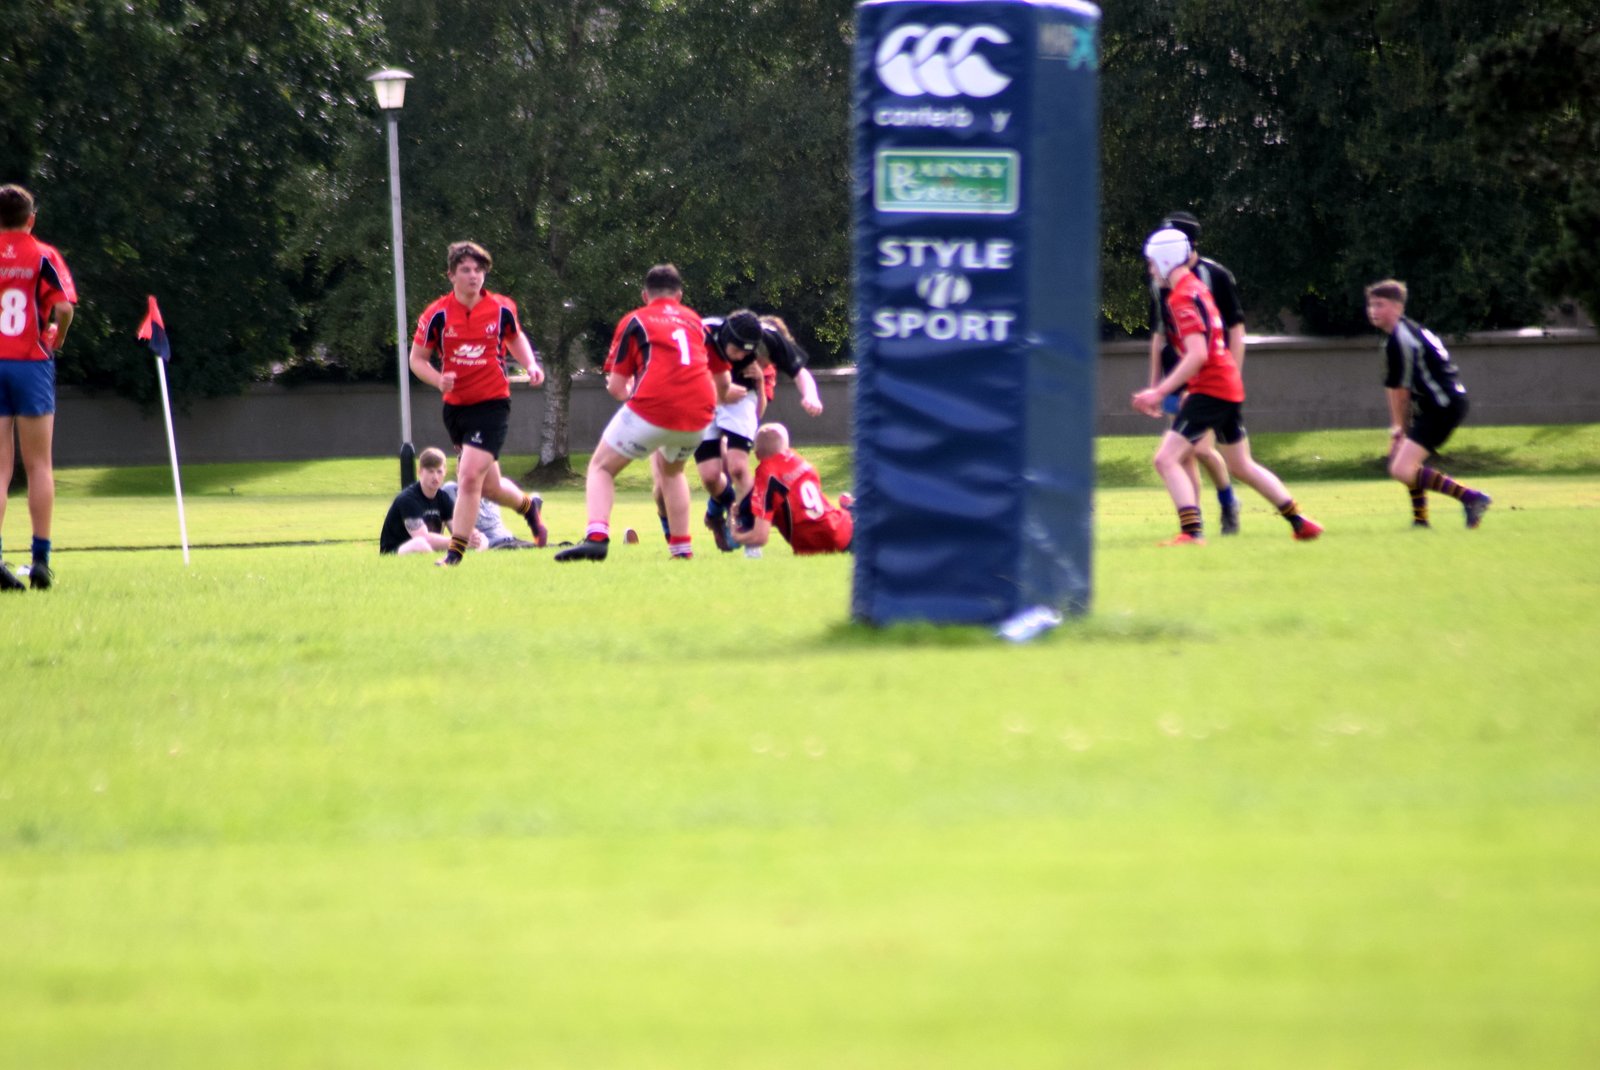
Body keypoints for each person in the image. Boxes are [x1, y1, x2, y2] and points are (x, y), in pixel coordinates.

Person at [1131, 228, 1322, 545]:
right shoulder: (1195, 287)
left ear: (1164, 260)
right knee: (1241, 465)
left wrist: (1159, 391)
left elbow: (1197, 354)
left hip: (1212, 387)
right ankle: (1300, 522)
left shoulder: (1181, 297)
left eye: (1151, 263)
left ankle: (1192, 533)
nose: (1150, 270)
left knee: (1165, 459)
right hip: (1225, 384)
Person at [555, 264, 732, 562]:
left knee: (601, 467)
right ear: (679, 295)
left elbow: (617, 387)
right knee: (673, 471)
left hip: (654, 404)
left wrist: (634, 400)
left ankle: (596, 538)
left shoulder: (636, 319)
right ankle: (682, 550)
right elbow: (723, 382)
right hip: (699, 412)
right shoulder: (695, 322)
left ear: (645, 295)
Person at [407, 241, 548, 567]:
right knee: (489, 487)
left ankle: (454, 554)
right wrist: (438, 379)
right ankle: (530, 508)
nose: (474, 276)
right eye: (466, 270)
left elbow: (514, 336)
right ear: (451, 275)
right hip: (457, 409)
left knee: (468, 477)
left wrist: (531, 364)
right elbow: (417, 360)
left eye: (479, 270)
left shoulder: (501, 308)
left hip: (492, 404)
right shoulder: (436, 314)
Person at [1364, 279, 1491, 529]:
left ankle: (1471, 497)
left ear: (1398, 307)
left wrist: (1398, 429)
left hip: (1443, 406)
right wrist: (1398, 430)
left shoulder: (1402, 338)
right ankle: (1420, 520)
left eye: (1380, 304)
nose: (1373, 310)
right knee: (1407, 463)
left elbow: (1402, 392)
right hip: (1437, 405)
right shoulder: (1398, 336)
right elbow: (1393, 386)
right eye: (1371, 305)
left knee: (1401, 468)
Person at [0, 183, 77, 592]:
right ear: (30, 219)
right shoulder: (43, 254)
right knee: (39, 466)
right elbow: (63, 307)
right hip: (30, 361)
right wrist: (56, 337)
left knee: (0, 469)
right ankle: (41, 561)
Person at [695, 310, 824, 551]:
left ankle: (751, 541)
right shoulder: (705, 332)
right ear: (726, 338)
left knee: (737, 466)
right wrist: (718, 391)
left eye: (748, 351)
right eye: (737, 350)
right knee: (710, 476)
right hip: (705, 397)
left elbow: (800, 372)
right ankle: (728, 509)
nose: (742, 356)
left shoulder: (769, 338)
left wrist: (810, 395)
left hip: (742, 398)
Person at [1148, 211, 1243, 535]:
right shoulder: (1160, 279)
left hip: (1209, 376)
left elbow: (1235, 329)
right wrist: (1155, 384)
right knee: (1182, 455)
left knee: (1199, 449)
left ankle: (1227, 500)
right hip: (1176, 376)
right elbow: (1160, 334)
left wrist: (1231, 374)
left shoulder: (1214, 275)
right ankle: (1193, 523)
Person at [729, 423, 853, 555]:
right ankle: (849, 506)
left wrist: (736, 535)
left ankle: (850, 507)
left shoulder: (766, 473)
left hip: (817, 545)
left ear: (757, 453)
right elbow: (794, 507)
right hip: (844, 529)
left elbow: (760, 537)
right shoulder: (798, 460)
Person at [378, 447, 485, 555]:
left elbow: (458, 529)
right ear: (420, 472)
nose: (435, 477)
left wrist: (472, 536)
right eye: (430, 471)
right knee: (419, 544)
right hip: (395, 552)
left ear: (445, 472)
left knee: (482, 540)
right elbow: (423, 538)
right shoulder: (408, 499)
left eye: (439, 471)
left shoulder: (443, 498)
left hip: (428, 550)